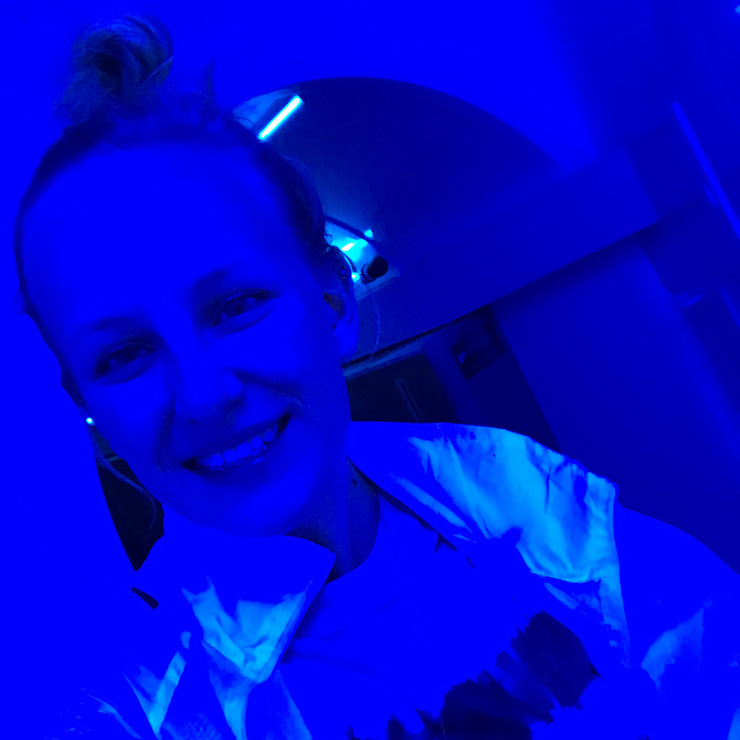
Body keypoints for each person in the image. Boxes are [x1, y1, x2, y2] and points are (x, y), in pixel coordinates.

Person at [11, 13, 739, 740]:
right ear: (91, 411)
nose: (204, 395)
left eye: (236, 305)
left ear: (333, 304)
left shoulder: (512, 493)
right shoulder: (130, 714)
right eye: (124, 355)